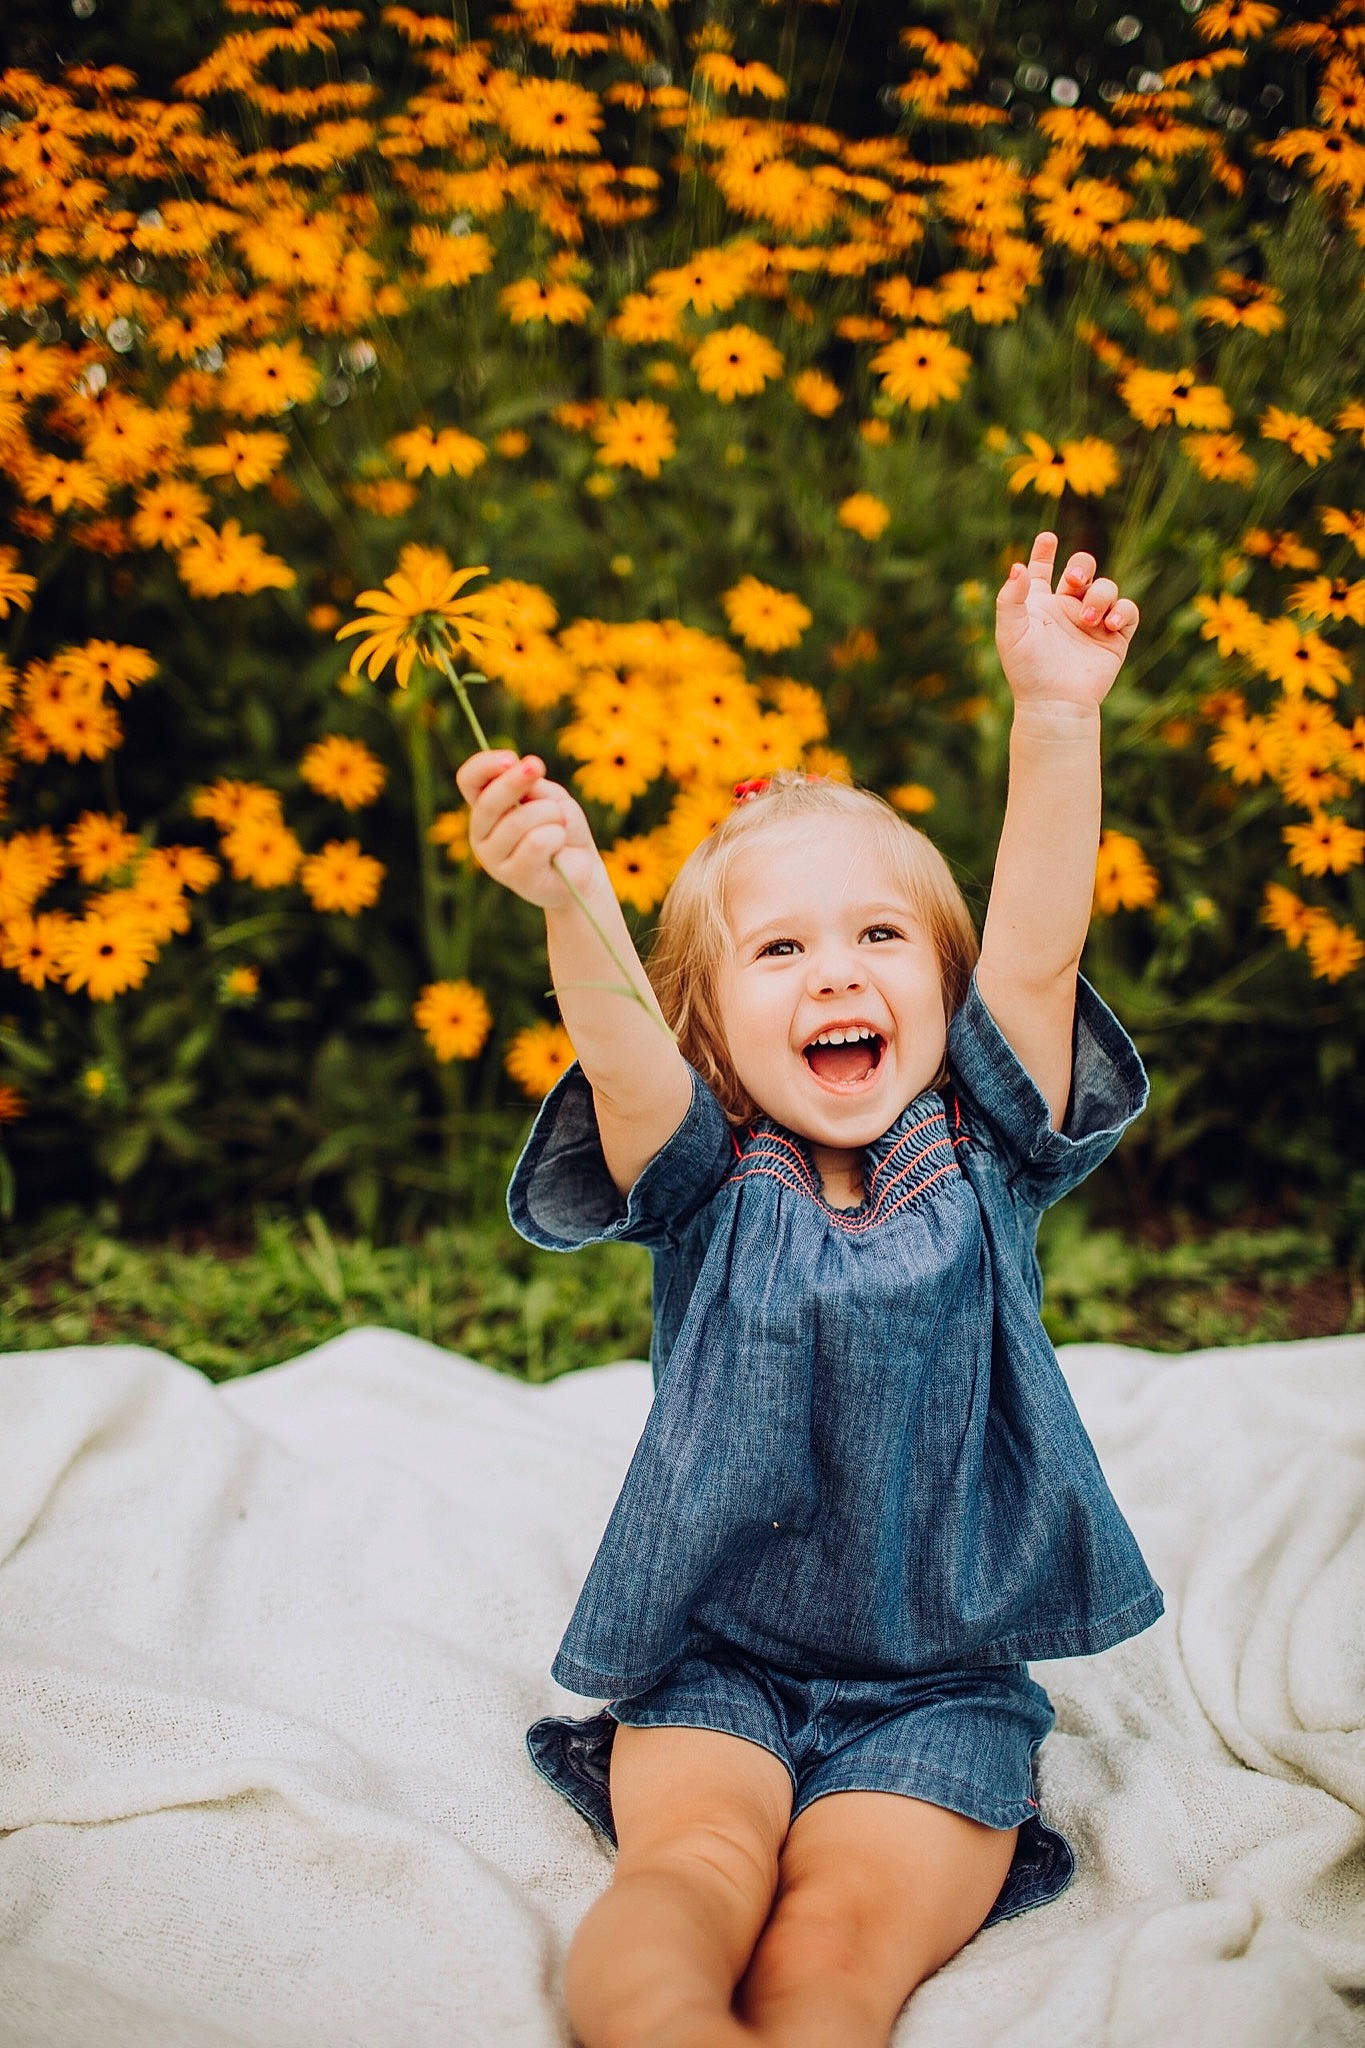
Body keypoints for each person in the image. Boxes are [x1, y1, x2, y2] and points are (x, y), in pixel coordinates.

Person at [456, 531, 1164, 2048]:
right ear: (713, 1034)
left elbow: (1036, 951)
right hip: (715, 1662)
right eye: (778, 949)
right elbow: (621, 1045)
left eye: (877, 936)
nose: (835, 973)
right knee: (697, 1867)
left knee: (838, 1939)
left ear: (941, 983)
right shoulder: (709, 1180)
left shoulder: (985, 1148)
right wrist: (567, 888)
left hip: (942, 1690)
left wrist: (1054, 713)